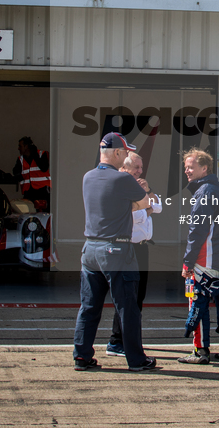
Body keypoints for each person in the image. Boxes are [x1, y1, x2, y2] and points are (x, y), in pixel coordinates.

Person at [73, 132, 157, 372]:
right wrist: (128, 204)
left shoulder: (88, 177)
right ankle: (137, 360)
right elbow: (145, 204)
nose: (128, 155)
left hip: (90, 248)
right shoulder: (123, 180)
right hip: (117, 248)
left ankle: (82, 356)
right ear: (118, 153)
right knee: (127, 306)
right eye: (126, 152)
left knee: (89, 306)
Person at [179, 147, 219, 365]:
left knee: (198, 302)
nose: (187, 170)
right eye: (185, 167)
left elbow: (197, 231)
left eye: (191, 167)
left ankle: (200, 351)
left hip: (206, 260)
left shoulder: (204, 192)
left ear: (204, 168)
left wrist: (187, 262)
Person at [106, 152, 162, 357]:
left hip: (142, 247)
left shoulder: (141, 186)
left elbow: (159, 206)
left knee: (138, 297)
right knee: (126, 296)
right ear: (124, 167)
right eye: (136, 167)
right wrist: (147, 206)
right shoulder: (122, 187)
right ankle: (116, 341)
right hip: (128, 248)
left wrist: (147, 198)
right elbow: (135, 216)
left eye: (141, 167)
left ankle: (131, 340)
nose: (141, 171)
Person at [13, 136, 51, 210]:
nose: (18, 148)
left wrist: (35, 155)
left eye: (20, 146)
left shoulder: (42, 154)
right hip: (28, 192)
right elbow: (15, 172)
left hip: (42, 192)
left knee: (43, 213)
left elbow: (44, 168)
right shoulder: (20, 159)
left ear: (26, 146)